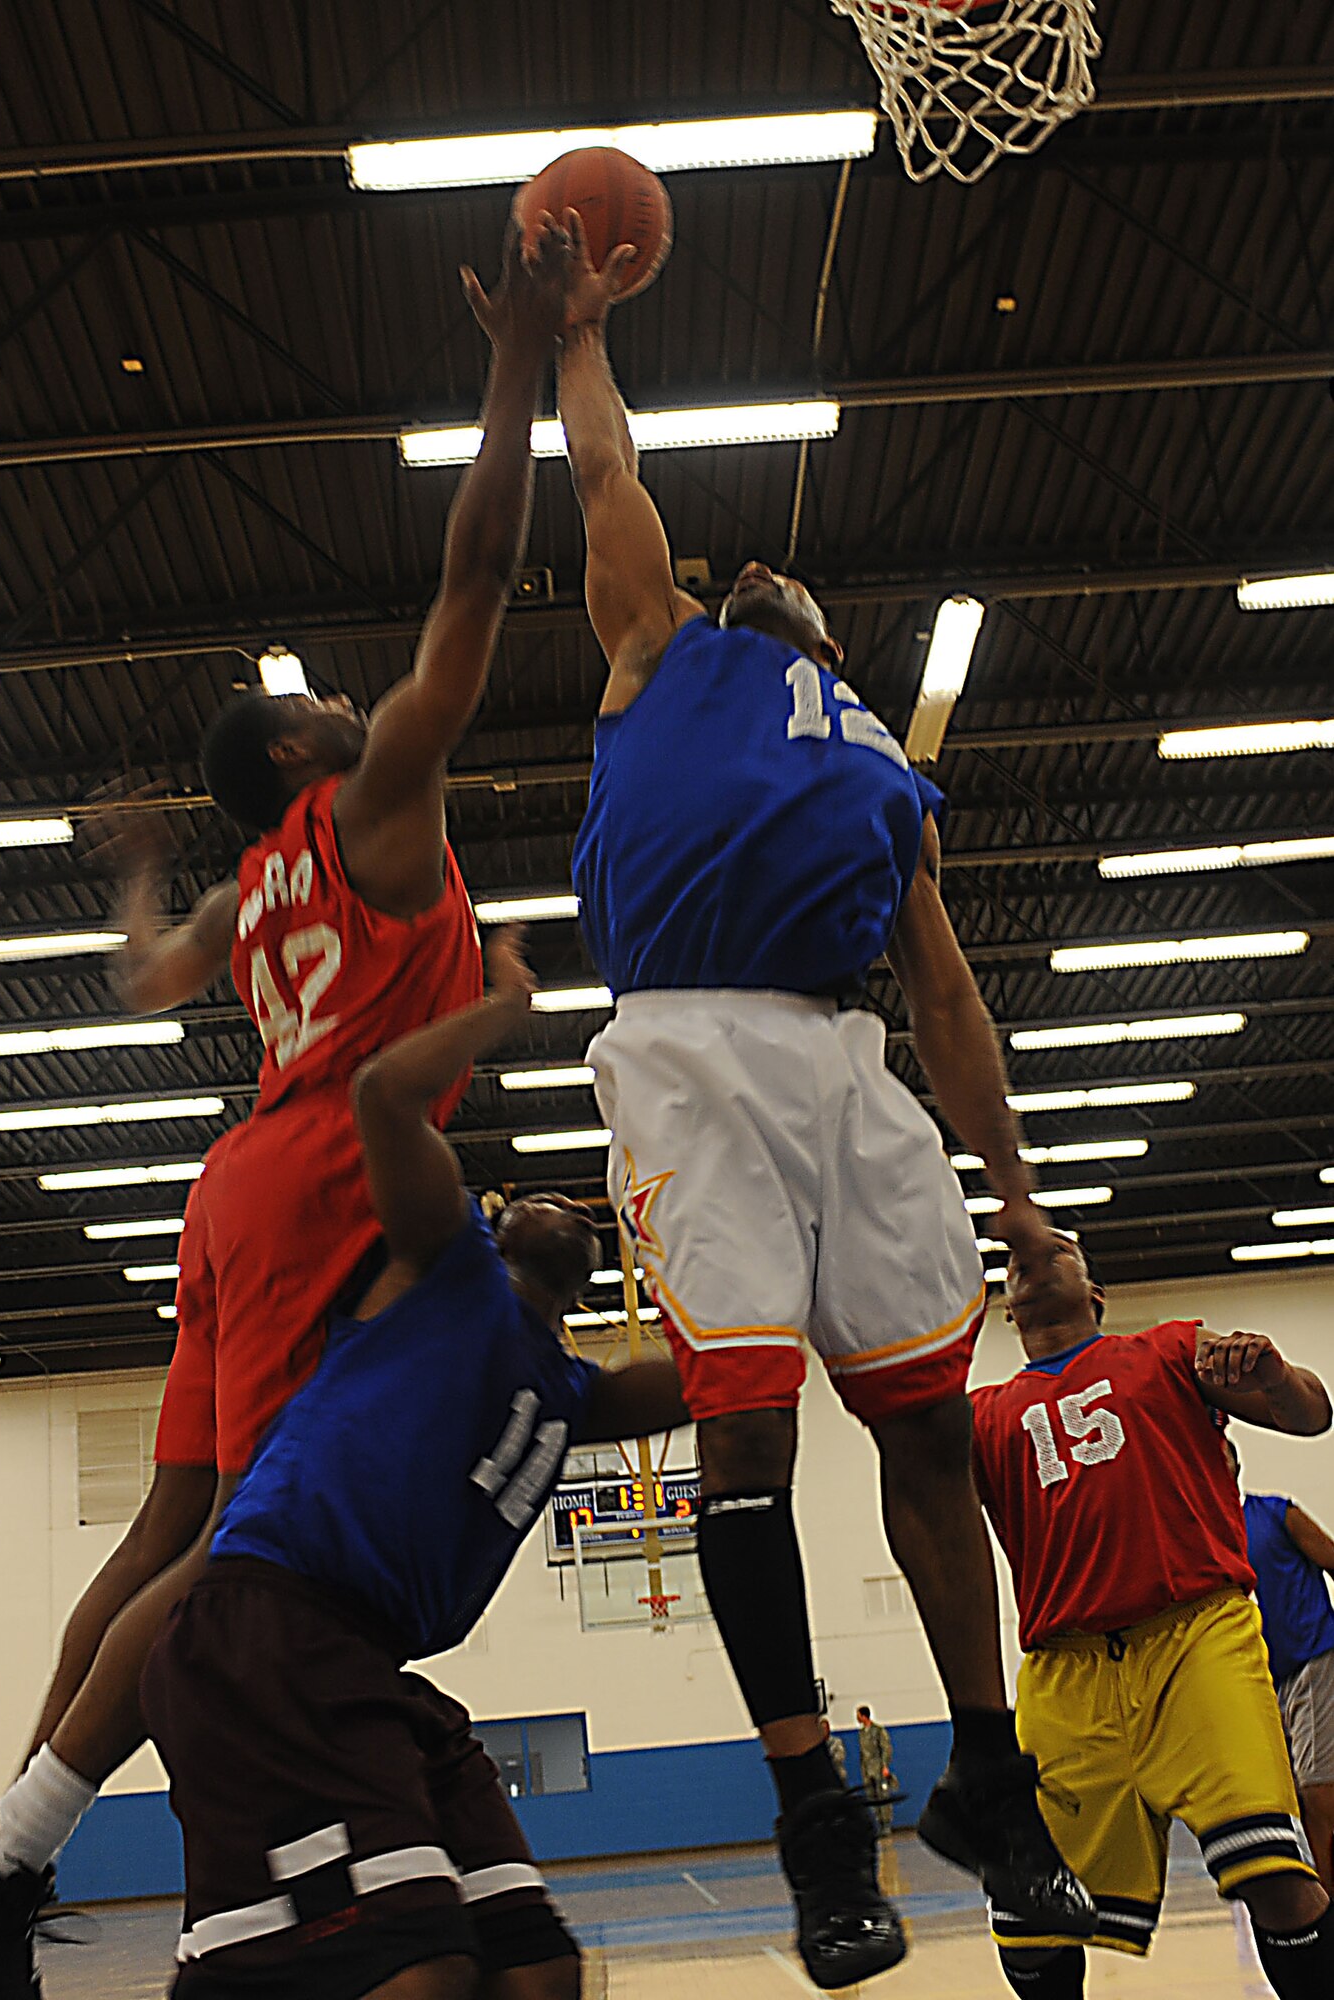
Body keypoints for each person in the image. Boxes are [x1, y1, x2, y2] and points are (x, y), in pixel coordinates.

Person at [0, 223, 573, 2000]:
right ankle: (18, 1855)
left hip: (242, 1181)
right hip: (323, 1185)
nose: (346, 696)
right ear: (295, 754)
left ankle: (3, 1854)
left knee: (162, 1538)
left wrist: (136, 873)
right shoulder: (366, 816)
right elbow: (483, 569)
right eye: (313, 702)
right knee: (225, 1566)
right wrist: (518, 357)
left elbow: (144, 983)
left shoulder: (256, 879)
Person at [553, 211, 1092, 1990]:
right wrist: (576, 332)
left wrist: (1016, 1196)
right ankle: (811, 1828)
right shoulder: (661, 645)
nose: (788, 592)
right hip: (689, 1046)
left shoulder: (876, 762)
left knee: (930, 1434)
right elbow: (606, 464)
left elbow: (941, 997)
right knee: (746, 1431)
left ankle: (983, 1775)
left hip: (842, 1064)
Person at [136, 925, 690, 1997]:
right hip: (265, 1631)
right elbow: (385, 1092)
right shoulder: (447, 1264)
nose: (567, 1200)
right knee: (417, 1968)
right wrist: (506, 1006)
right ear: (494, 1219)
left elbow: (735, 1368)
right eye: (545, 1192)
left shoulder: (573, 1390)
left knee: (535, 1969)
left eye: (586, 1207)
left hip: (367, 1665)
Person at [970, 1238, 1334, 1999]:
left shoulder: (1167, 1349)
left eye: (1056, 1252)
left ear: (1094, 1295)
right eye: (1016, 1264)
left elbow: (1308, 1415)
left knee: (1274, 1875)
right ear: (1006, 1311)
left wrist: (1271, 1373)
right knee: (1024, 1908)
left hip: (1195, 1636)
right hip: (1063, 1668)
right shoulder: (980, 1416)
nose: (1031, 1260)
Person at [1241, 1463, 1334, 1893]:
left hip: (1315, 1660)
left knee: (1318, 1793)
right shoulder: (1201, 1541)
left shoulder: (1276, 1514)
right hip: (1263, 1683)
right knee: (1295, 1796)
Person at [857, 1708, 895, 1838]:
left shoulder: (878, 1731)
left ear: (864, 1716)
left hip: (878, 1768)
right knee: (872, 1797)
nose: (857, 1718)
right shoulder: (861, 1733)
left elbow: (886, 1748)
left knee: (882, 1796)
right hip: (868, 1770)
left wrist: (885, 1766)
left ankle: (886, 1824)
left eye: (858, 1715)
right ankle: (877, 1823)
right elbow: (863, 1753)